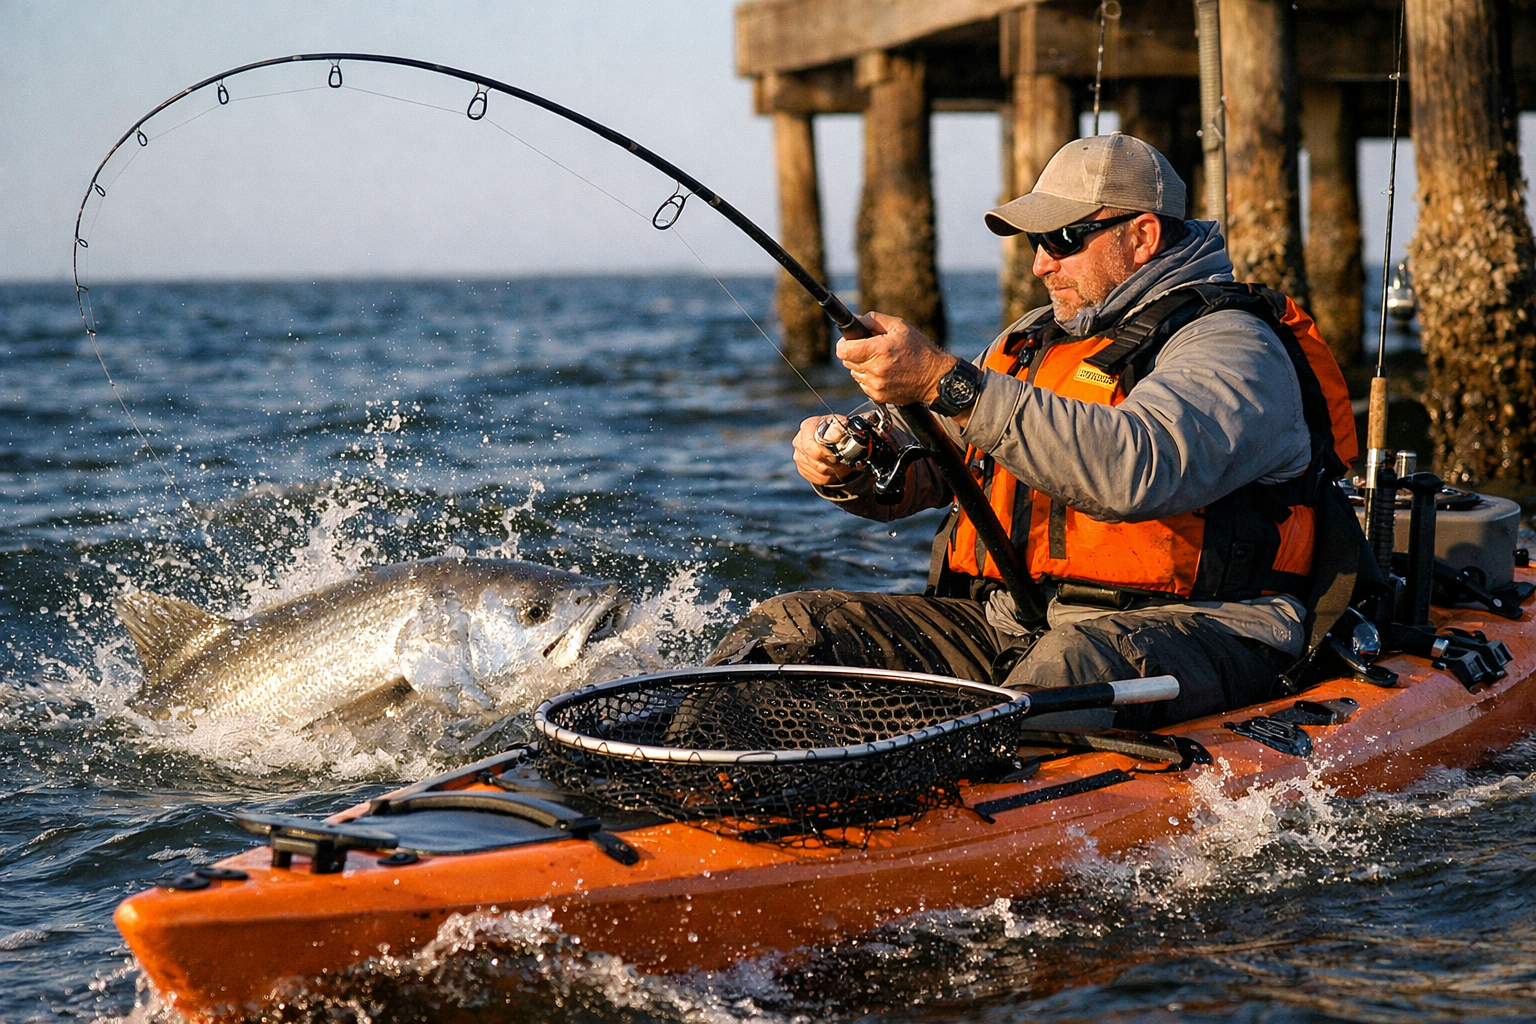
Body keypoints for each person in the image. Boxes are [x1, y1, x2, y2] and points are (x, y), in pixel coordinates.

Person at [706, 133, 1357, 730]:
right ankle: (674, 782)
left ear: (1143, 236)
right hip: (1019, 624)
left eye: (1065, 238)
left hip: (1200, 633)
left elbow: (1135, 470)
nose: (1042, 263)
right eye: (1034, 243)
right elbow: (941, 467)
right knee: (791, 627)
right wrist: (854, 466)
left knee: (1059, 674)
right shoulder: (1029, 342)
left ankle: (928, 822)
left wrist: (942, 381)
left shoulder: (1233, 346)